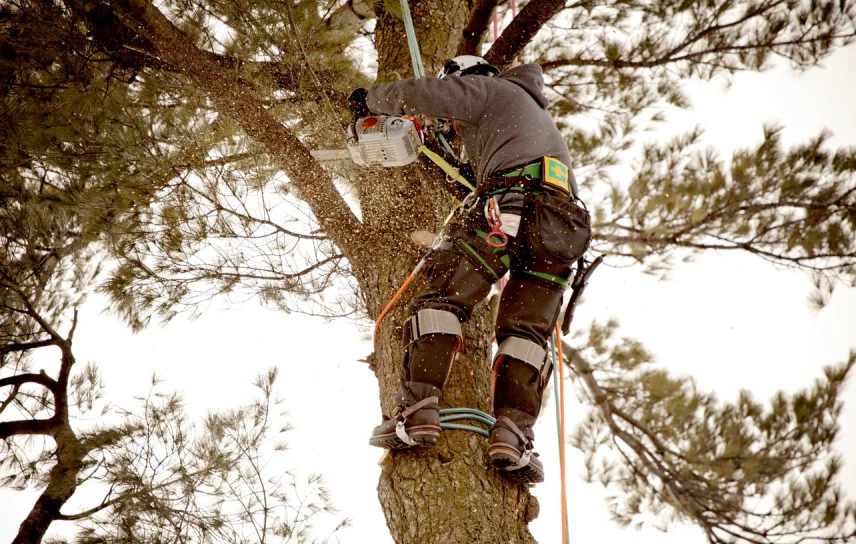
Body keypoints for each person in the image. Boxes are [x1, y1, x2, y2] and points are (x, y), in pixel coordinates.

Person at [349, 55, 591, 484]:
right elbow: (472, 181)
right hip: (561, 225)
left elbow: (423, 93)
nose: (455, 128)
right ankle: (512, 439)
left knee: (443, 300)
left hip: (510, 206)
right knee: (526, 334)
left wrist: (371, 100)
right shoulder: (524, 117)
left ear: (466, 79)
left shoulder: (489, 90)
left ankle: (418, 412)